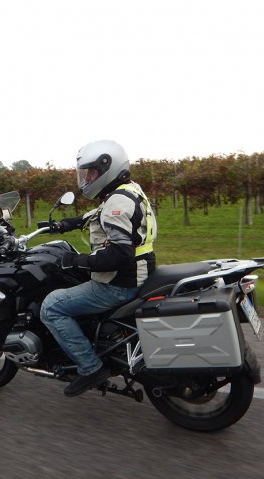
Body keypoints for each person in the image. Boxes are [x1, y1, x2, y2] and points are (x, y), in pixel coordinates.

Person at [40, 140, 157, 396]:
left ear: (107, 168)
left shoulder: (117, 203)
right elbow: (99, 214)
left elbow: (119, 254)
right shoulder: (128, 191)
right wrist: (64, 225)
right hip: (139, 273)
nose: (87, 178)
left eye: (91, 172)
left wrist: (77, 260)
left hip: (119, 283)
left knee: (51, 306)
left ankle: (90, 368)